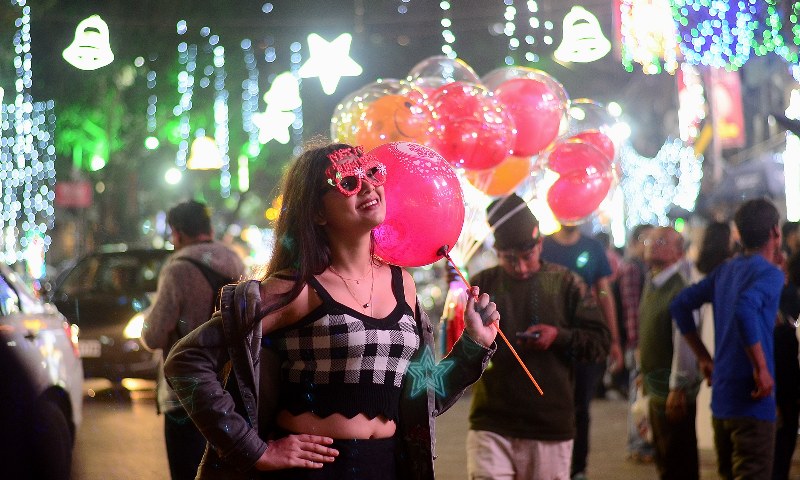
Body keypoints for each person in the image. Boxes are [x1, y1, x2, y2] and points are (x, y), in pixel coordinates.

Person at [163, 142, 499, 479]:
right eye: (348, 183)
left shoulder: (403, 285)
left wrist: (473, 344)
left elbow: (421, 395)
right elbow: (185, 362)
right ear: (317, 213)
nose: (367, 186)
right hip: (313, 472)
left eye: (372, 172)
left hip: (389, 467)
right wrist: (253, 450)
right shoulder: (294, 289)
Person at [467, 194, 610, 480]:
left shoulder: (568, 283)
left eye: (527, 256)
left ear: (540, 244)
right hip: (492, 420)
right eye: (510, 259)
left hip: (549, 424)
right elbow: (458, 350)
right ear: (497, 251)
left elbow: (599, 343)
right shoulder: (482, 284)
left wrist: (559, 336)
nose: (520, 267)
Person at [670, 198, 785, 480]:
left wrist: (704, 358)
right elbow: (745, 307)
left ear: (739, 234)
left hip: (722, 403)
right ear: (775, 232)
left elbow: (680, 305)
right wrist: (760, 368)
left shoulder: (726, 270)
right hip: (753, 403)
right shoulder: (770, 274)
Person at [141, 199, 246, 480]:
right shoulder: (235, 260)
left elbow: (153, 335)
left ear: (176, 233)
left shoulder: (178, 268)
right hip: (228, 390)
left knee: (186, 472)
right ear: (209, 227)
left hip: (184, 395)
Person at [540, 224, 623, 480]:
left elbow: (603, 290)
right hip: (549, 341)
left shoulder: (593, 247)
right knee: (550, 405)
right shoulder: (543, 246)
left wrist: (613, 338)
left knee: (581, 407)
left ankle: (577, 469)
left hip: (585, 338)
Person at [637, 227, 700, 480]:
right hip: (656, 385)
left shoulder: (680, 289)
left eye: (662, 241)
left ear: (679, 252)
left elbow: (685, 341)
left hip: (673, 392)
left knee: (678, 461)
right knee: (665, 458)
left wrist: (678, 387)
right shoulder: (652, 282)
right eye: (649, 240)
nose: (652, 244)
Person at [619, 223, 655, 463]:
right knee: (638, 394)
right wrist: (637, 344)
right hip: (638, 344)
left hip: (641, 343)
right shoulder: (632, 269)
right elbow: (632, 310)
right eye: (649, 240)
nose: (651, 246)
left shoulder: (643, 267)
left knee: (642, 393)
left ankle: (643, 443)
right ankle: (638, 444)